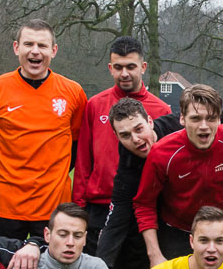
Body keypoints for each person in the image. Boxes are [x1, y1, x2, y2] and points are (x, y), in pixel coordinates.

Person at [96, 98, 223, 269]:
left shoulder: (177, 123)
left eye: (139, 129)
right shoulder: (129, 165)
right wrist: (99, 265)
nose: (135, 139)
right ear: (116, 136)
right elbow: (118, 215)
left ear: (150, 121)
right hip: (176, 215)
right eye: (125, 135)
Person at [134, 84, 223, 268]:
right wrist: (154, 254)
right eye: (195, 119)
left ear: (220, 119)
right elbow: (144, 203)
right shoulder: (162, 153)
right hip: (180, 231)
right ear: (182, 118)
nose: (204, 126)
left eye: (211, 118)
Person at [0, 19, 87, 240]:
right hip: (3, 205)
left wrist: (56, 174)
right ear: (16, 48)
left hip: (53, 209)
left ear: (54, 50)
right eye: (28, 44)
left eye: (42, 46)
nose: (35, 51)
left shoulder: (73, 92)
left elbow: (78, 144)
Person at [72, 37, 171, 254]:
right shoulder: (94, 105)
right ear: (110, 68)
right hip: (100, 208)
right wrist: (78, 210)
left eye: (131, 67)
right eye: (118, 67)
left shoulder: (161, 109)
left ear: (143, 67)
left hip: (143, 209)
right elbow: (83, 161)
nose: (124, 73)